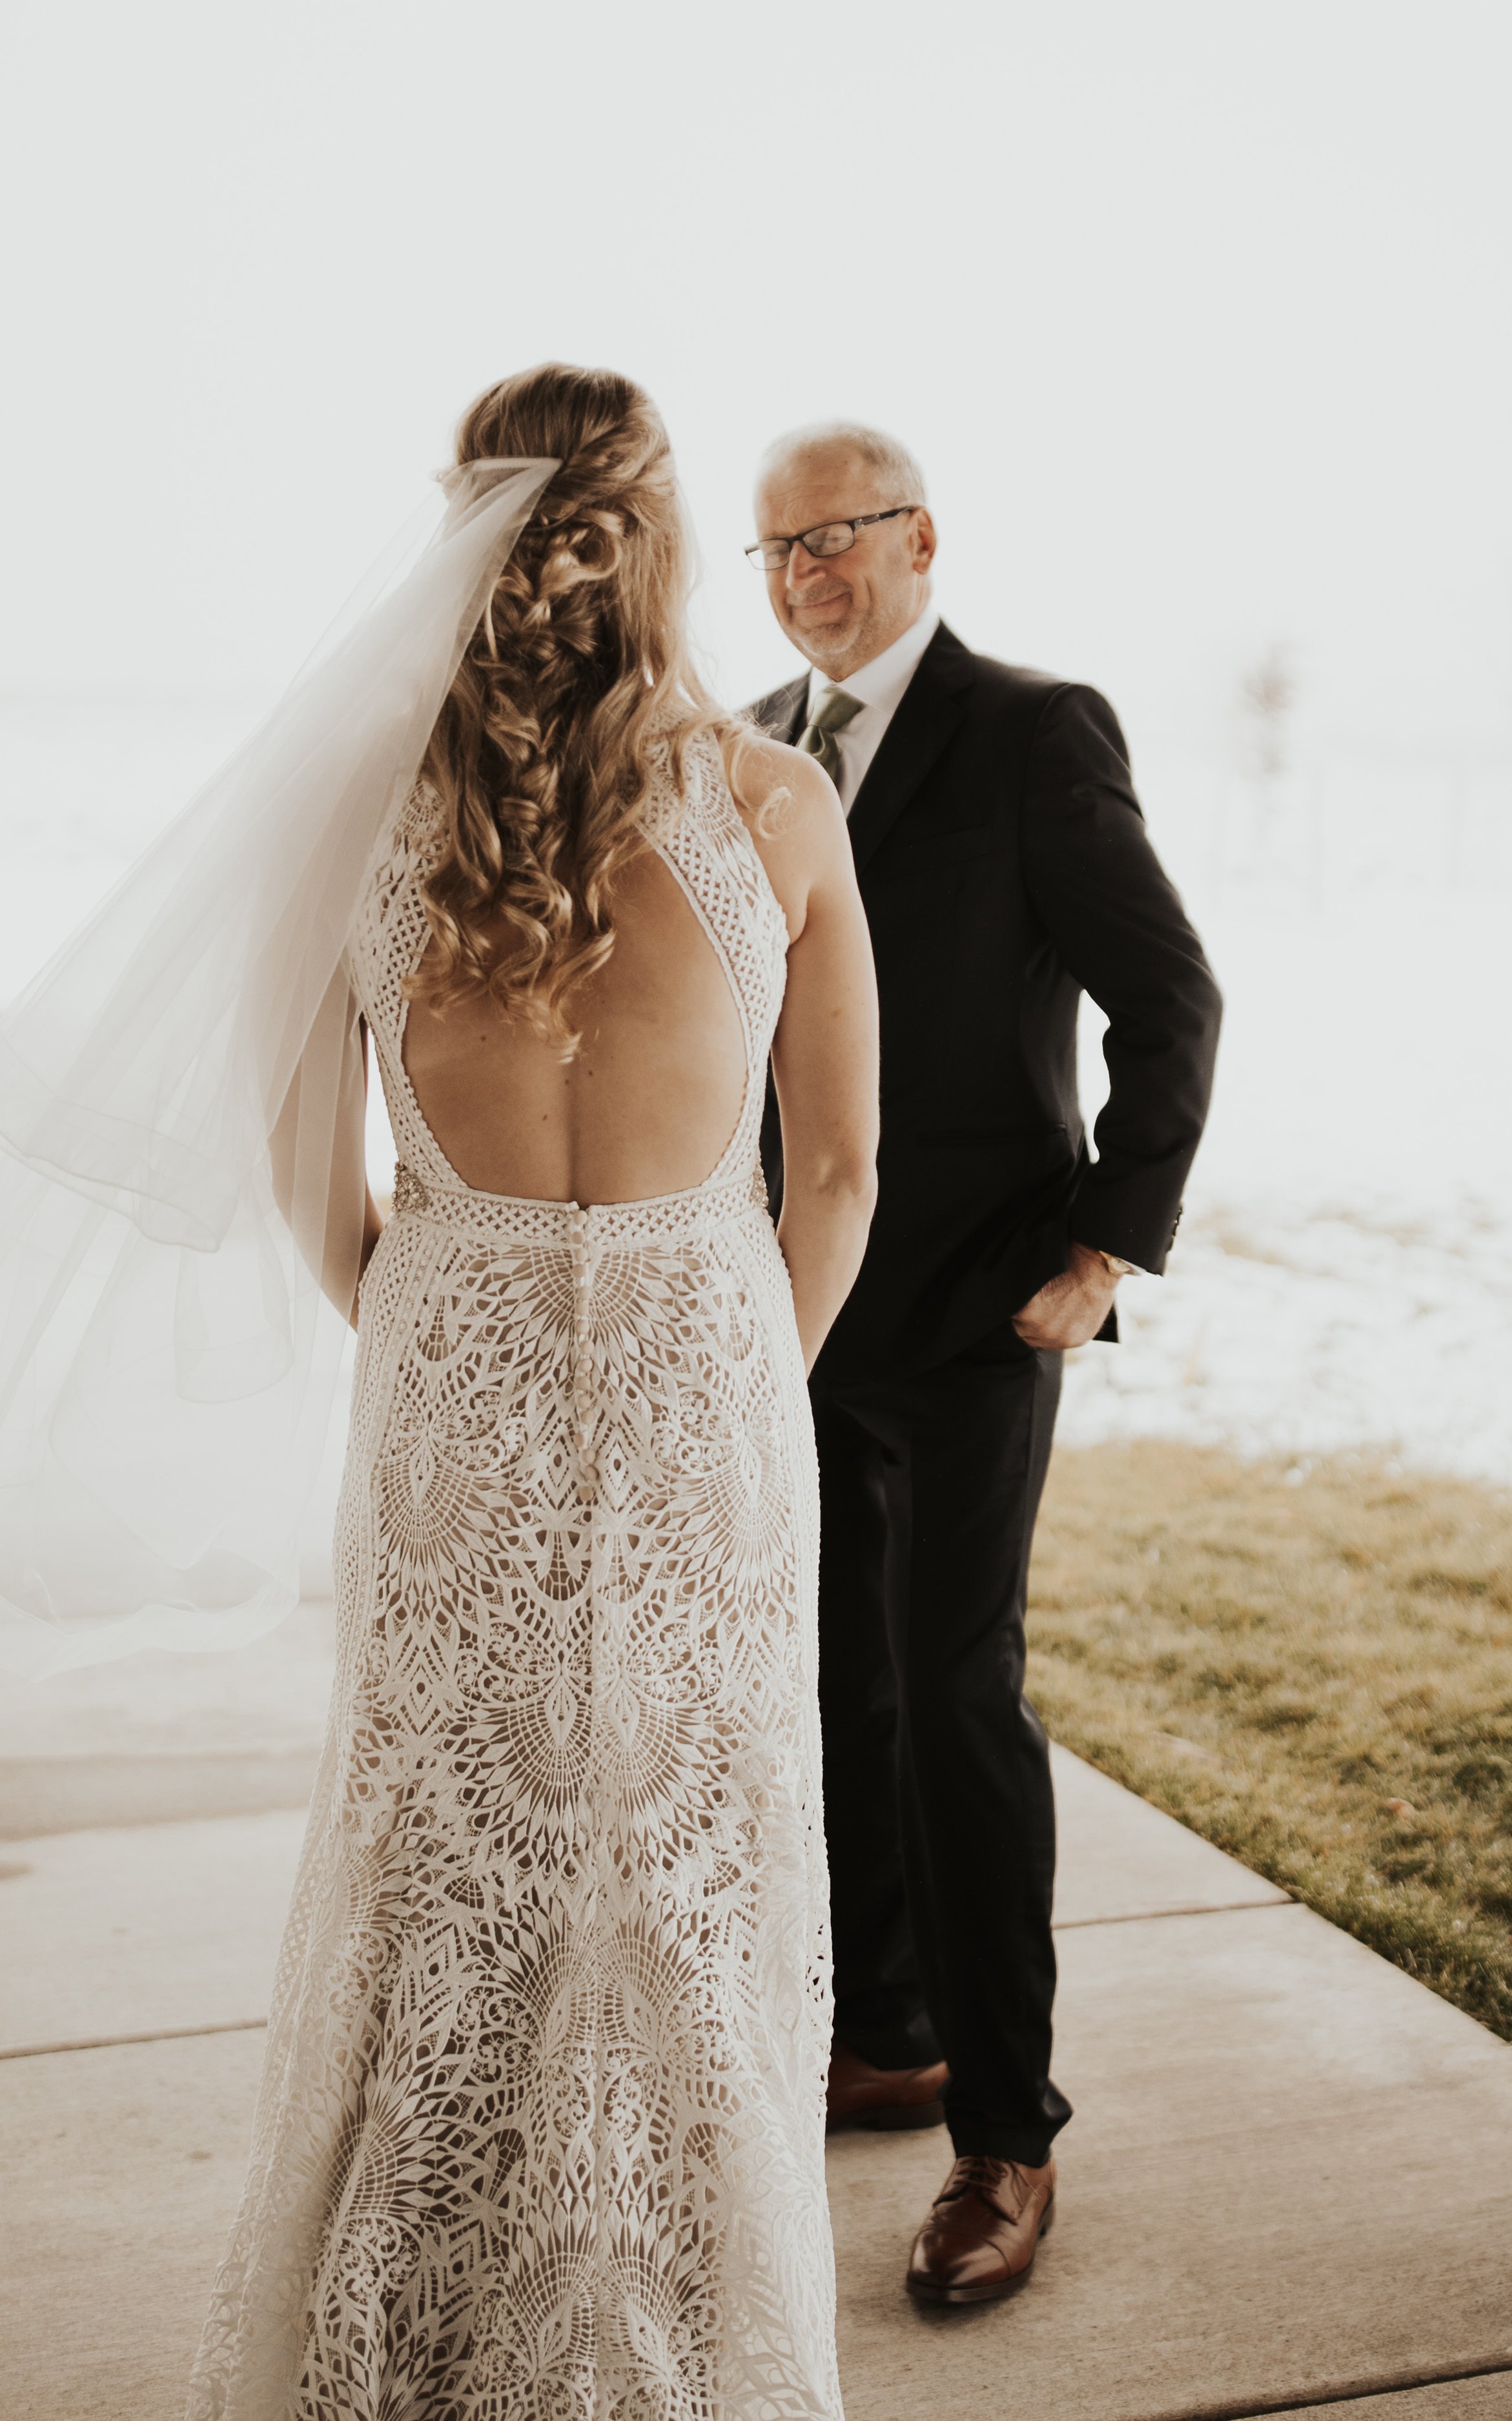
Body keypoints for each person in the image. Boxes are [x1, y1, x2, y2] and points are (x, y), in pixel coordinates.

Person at [0, 365, 877, 2418]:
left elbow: (319, 1180)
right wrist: (736, 1380)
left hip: (454, 1386)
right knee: (689, 1875)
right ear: (658, 538)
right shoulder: (777, 803)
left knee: (447, 1869)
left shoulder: (371, 809)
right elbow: (831, 1174)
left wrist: (447, 1326)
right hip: (704, 1403)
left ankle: (415, 2353)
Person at [748, 422, 1221, 2307]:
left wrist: (1102, 1239)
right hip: (786, 1304)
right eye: (774, 549)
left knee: (952, 1699)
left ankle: (1005, 2140)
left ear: (921, 539)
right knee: (828, 1693)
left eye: (835, 538)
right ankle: (889, 2031)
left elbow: (1167, 994)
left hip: (970, 1306)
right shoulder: (737, 745)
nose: (803, 574)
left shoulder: (1034, 730)